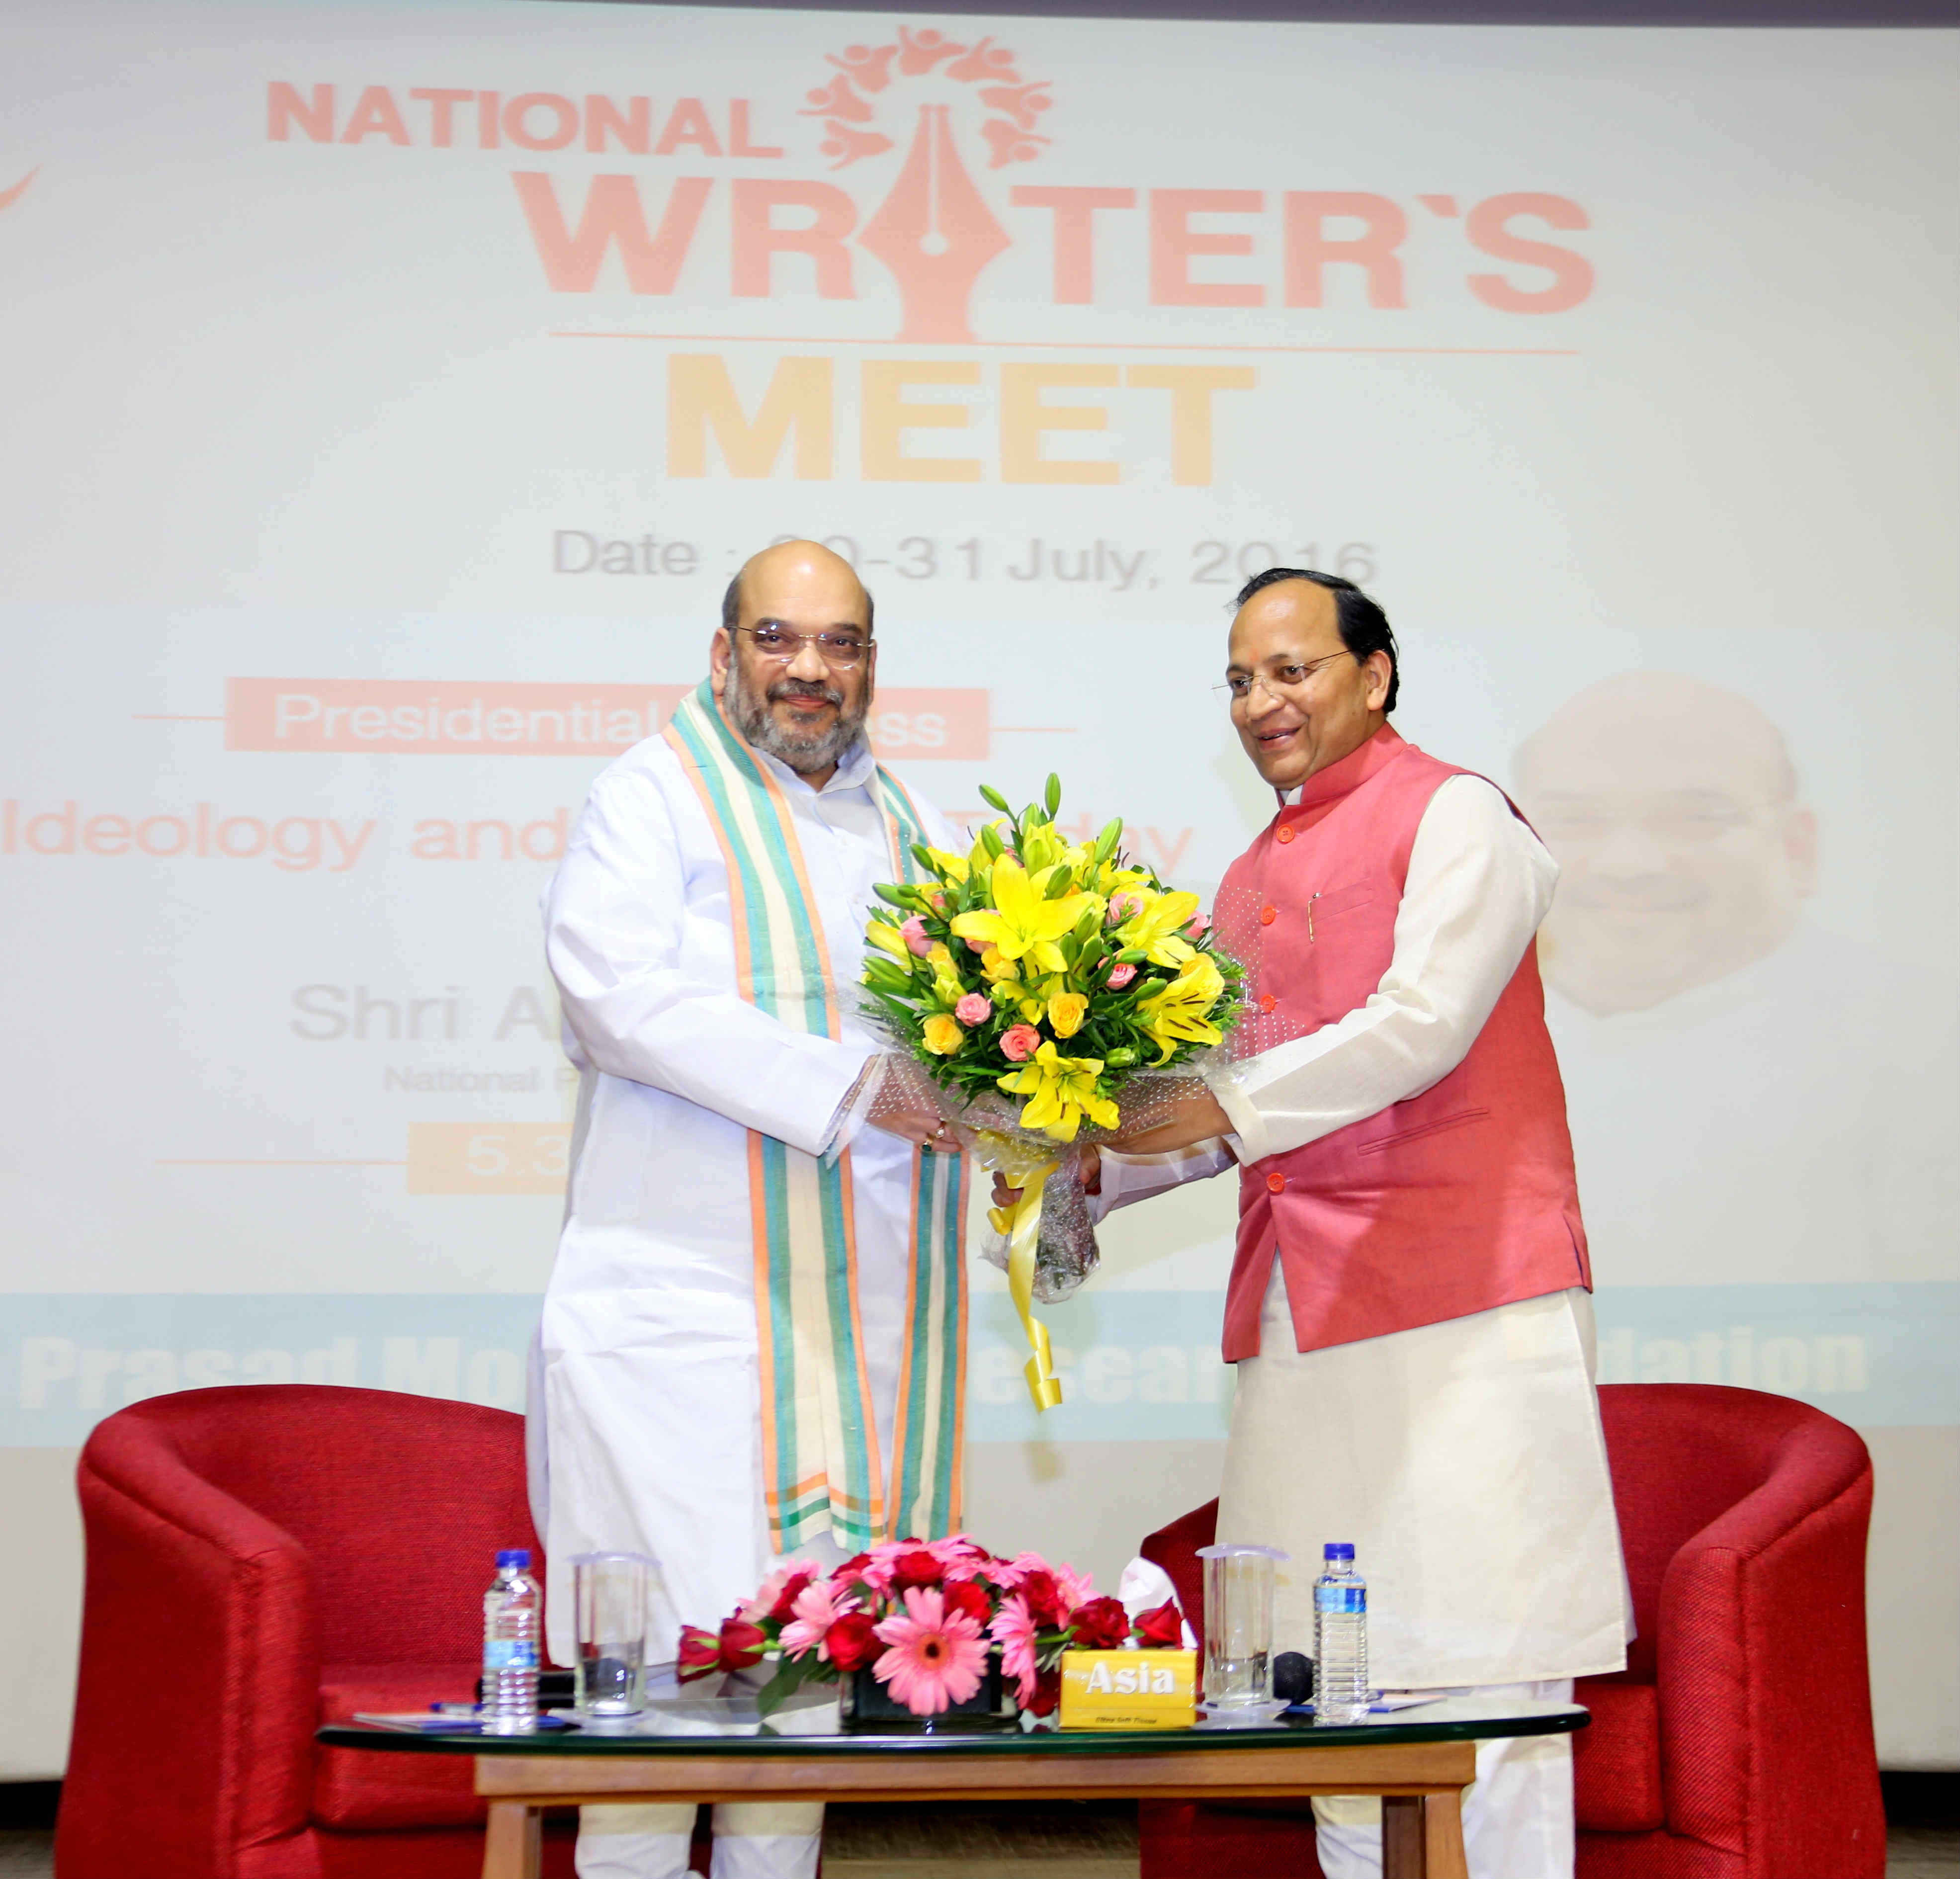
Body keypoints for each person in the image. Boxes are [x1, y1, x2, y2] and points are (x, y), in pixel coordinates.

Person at [1077, 569, 1630, 1879]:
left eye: (1294, 667)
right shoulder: (1244, 875)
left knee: (1486, 1672)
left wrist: (1197, 1101)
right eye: (1240, 678)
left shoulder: (1458, 815)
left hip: (1464, 1303)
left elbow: (1417, 1026)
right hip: (1299, 1313)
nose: (1264, 700)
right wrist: (1078, 1166)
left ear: (1375, 672)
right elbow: (1217, 1116)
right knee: (1321, 1677)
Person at [529, 540, 964, 1879]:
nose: (811, 669)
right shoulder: (650, 796)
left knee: (810, 1676)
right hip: (680, 1317)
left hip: (855, 1328)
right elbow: (614, 994)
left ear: (874, 666)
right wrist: (858, 1086)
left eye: (840, 643)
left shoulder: (921, 829)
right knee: (666, 1688)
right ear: (724, 656)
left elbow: (959, 1056)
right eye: (778, 638)